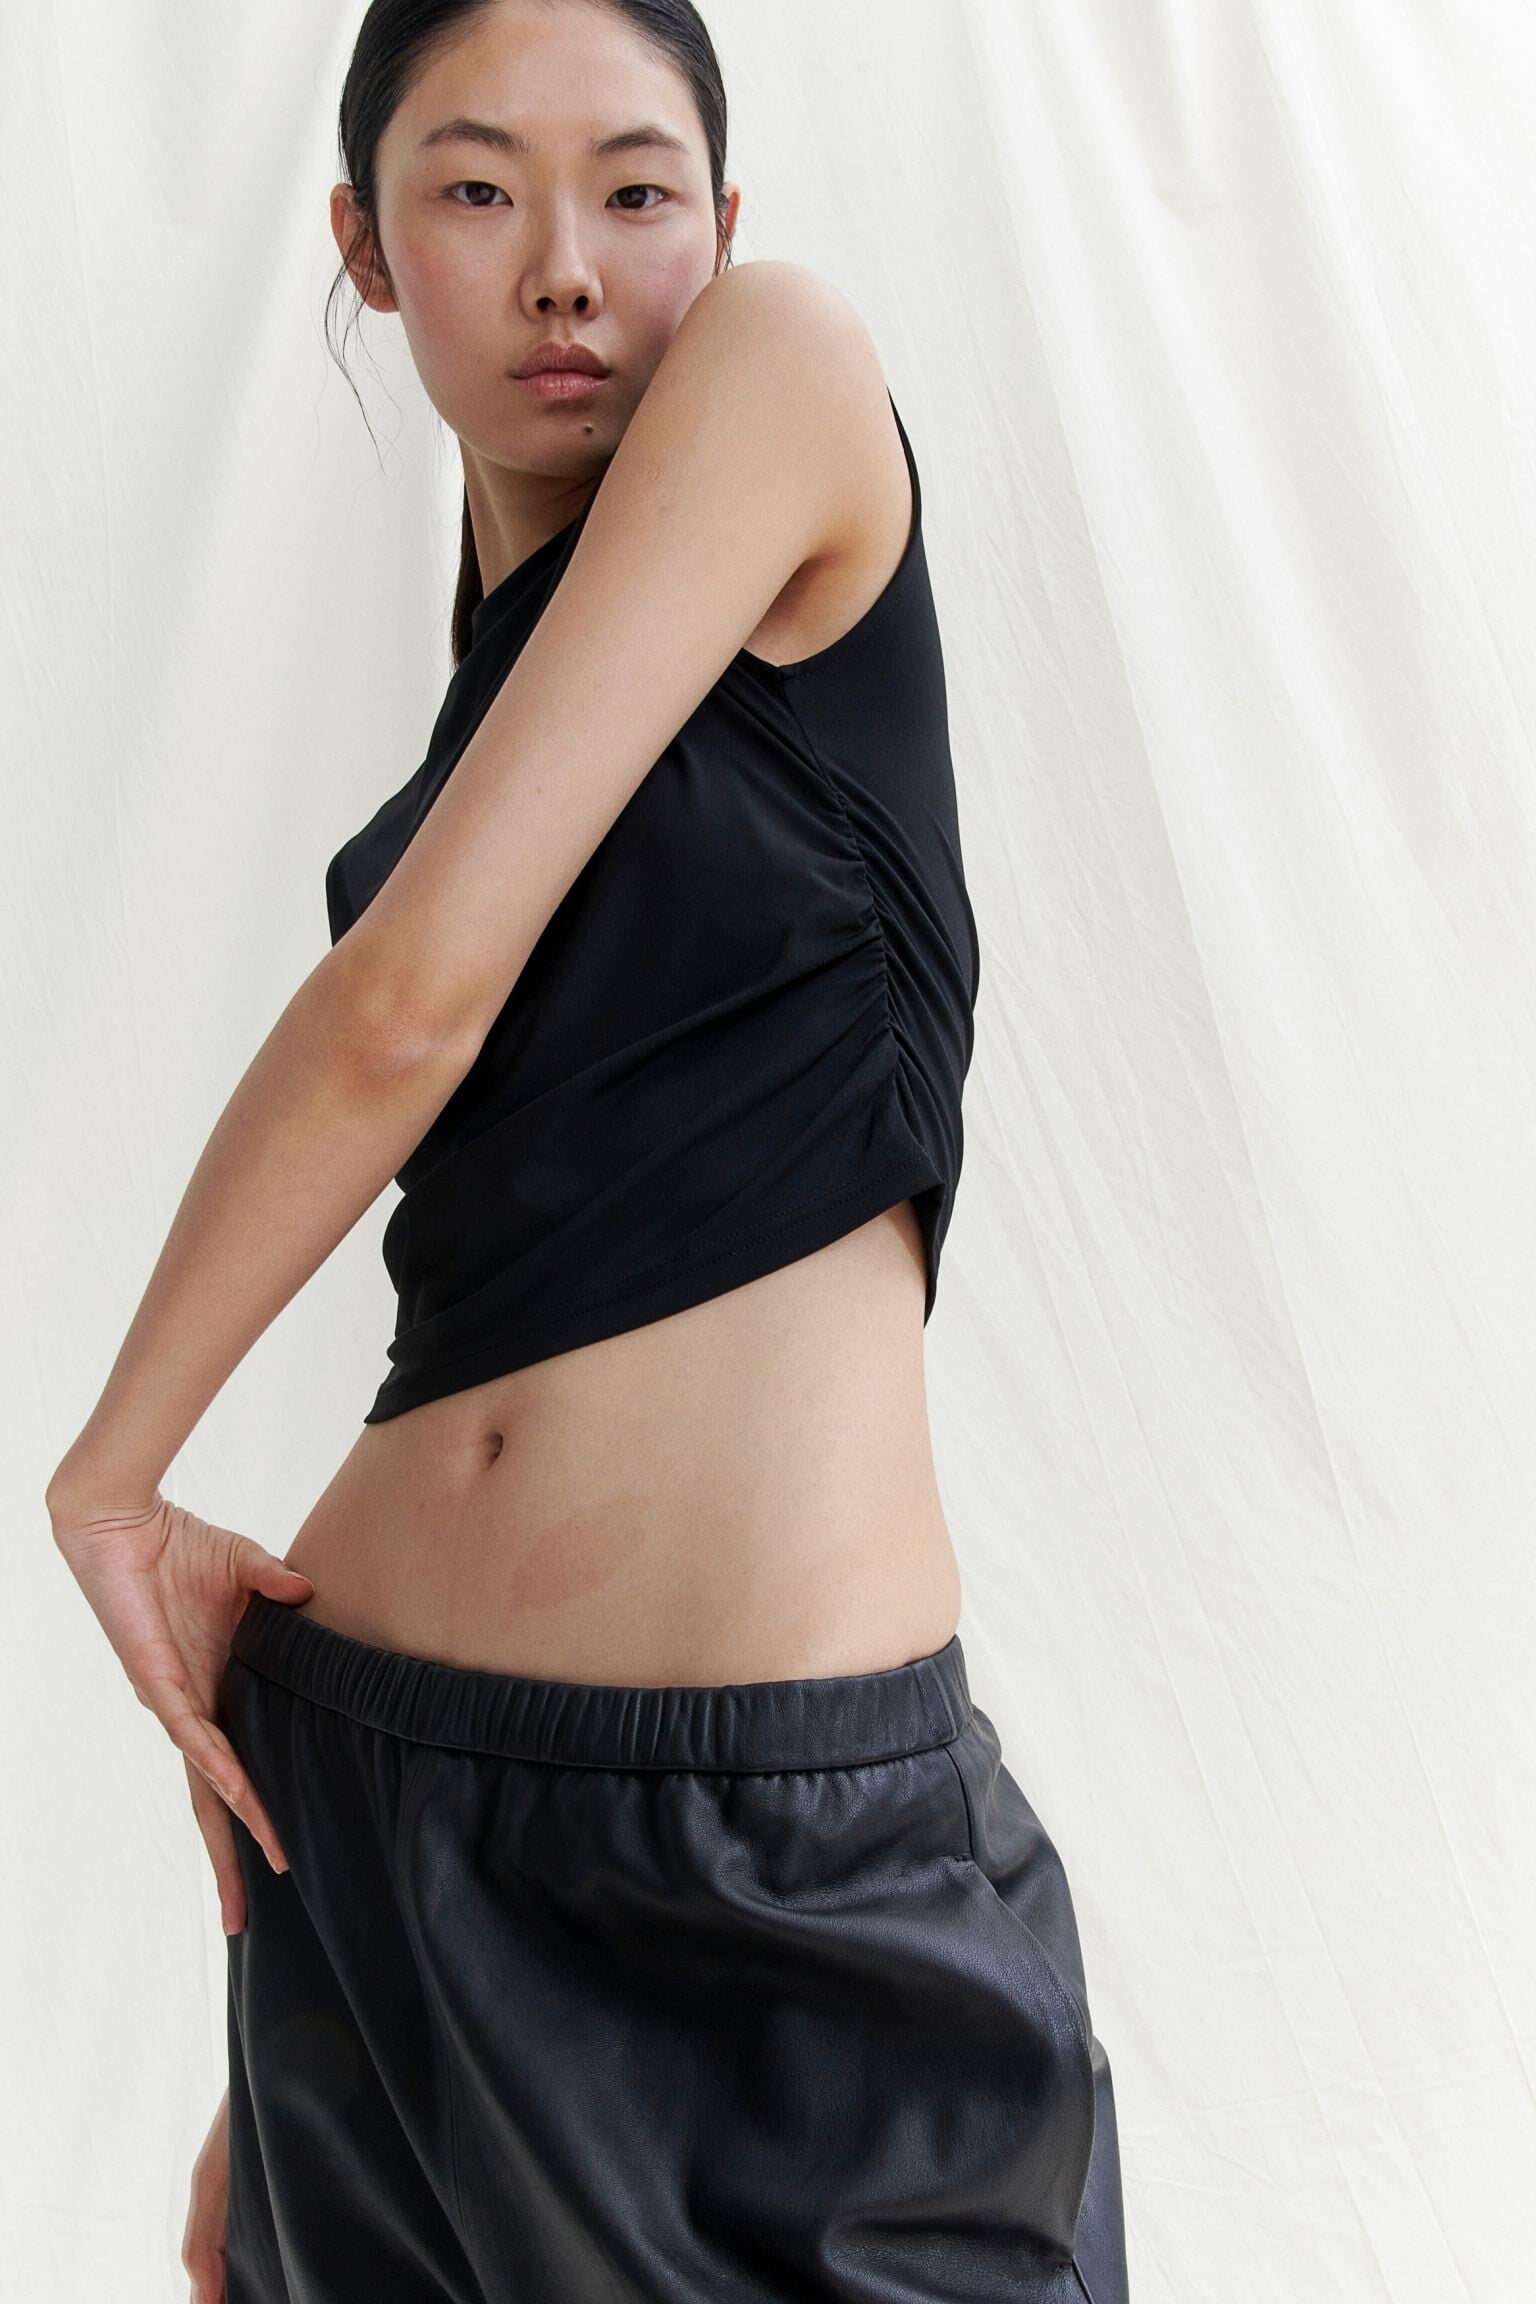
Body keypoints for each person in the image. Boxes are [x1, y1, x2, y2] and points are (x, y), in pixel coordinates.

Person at [45, 3, 1130, 2299]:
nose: (566, 266)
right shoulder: (491, 702)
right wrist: (300, 2040)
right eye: (473, 189)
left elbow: (402, 1009)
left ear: (722, 225)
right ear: (363, 248)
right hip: (377, 1830)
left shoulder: (786, 365)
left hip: (783, 1871)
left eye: (635, 191)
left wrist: (113, 1480)